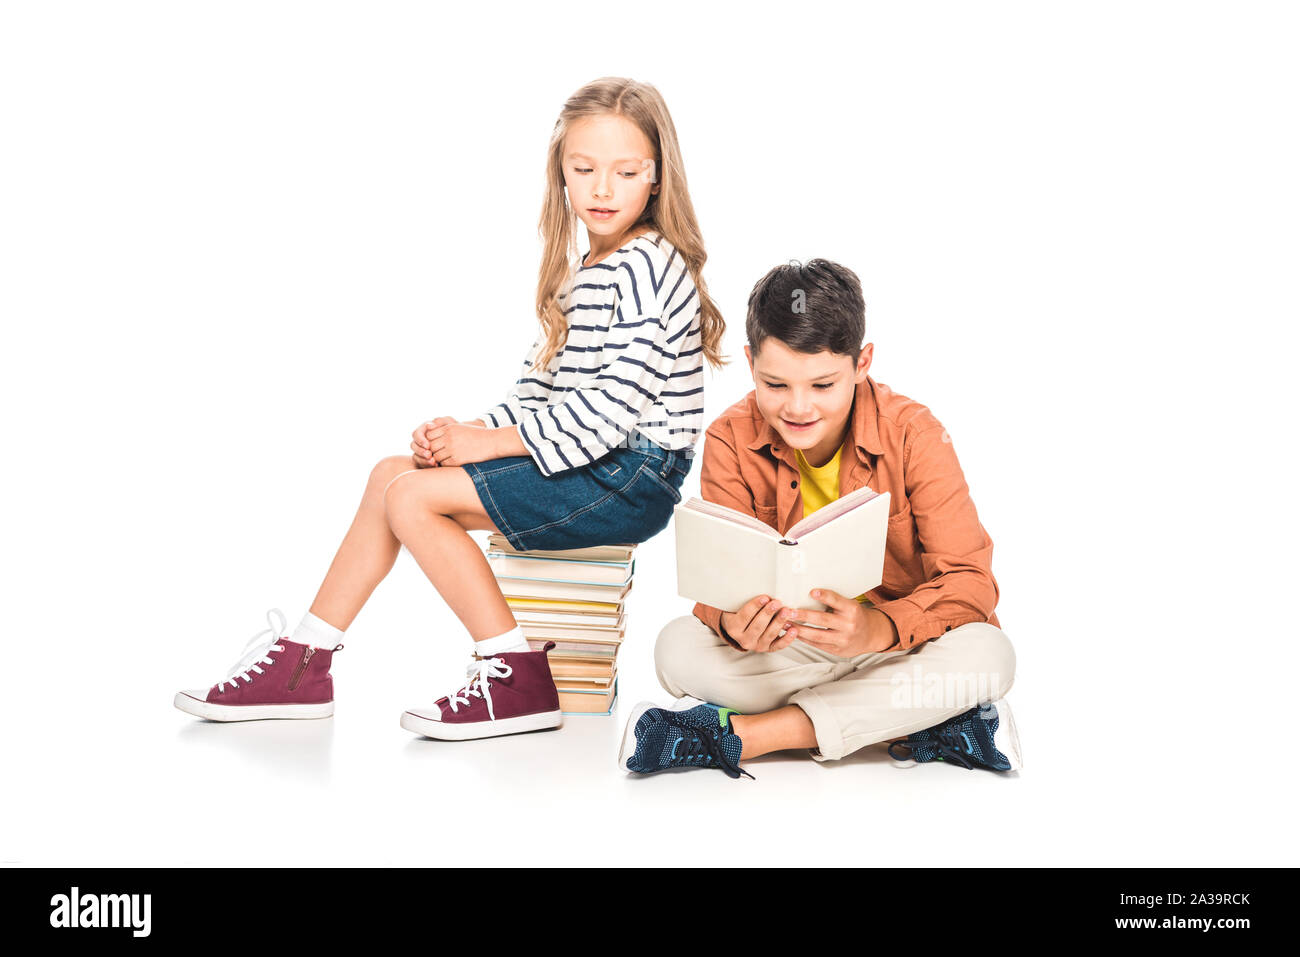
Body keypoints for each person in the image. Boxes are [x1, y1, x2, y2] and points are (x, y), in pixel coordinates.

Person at [174, 77, 725, 741]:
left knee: (410, 500)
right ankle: (304, 660)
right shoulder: (588, 267)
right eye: (584, 170)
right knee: (390, 476)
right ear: (561, 173)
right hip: (594, 462)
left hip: (631, 474)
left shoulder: (646, 265)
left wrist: (490, 447)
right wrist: (468, 432)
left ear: (658, 178)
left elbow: (609, 412)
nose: (603, 189)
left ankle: (515, 672)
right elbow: (541, 388)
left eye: (626, 172)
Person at [618, 259, 1020, 778]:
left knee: (990, 654)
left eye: (824, 385)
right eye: (775, 384)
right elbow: (716, 592)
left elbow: (971, 584)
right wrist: (737, 626)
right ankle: (913, 720)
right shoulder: (728, 438)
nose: (798, 408)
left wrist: (878, 628)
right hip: (797, 654)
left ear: (862, 363)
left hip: (900, 647)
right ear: (749, 363)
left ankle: (748, 735)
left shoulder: (915, 433)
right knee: (675, 649)